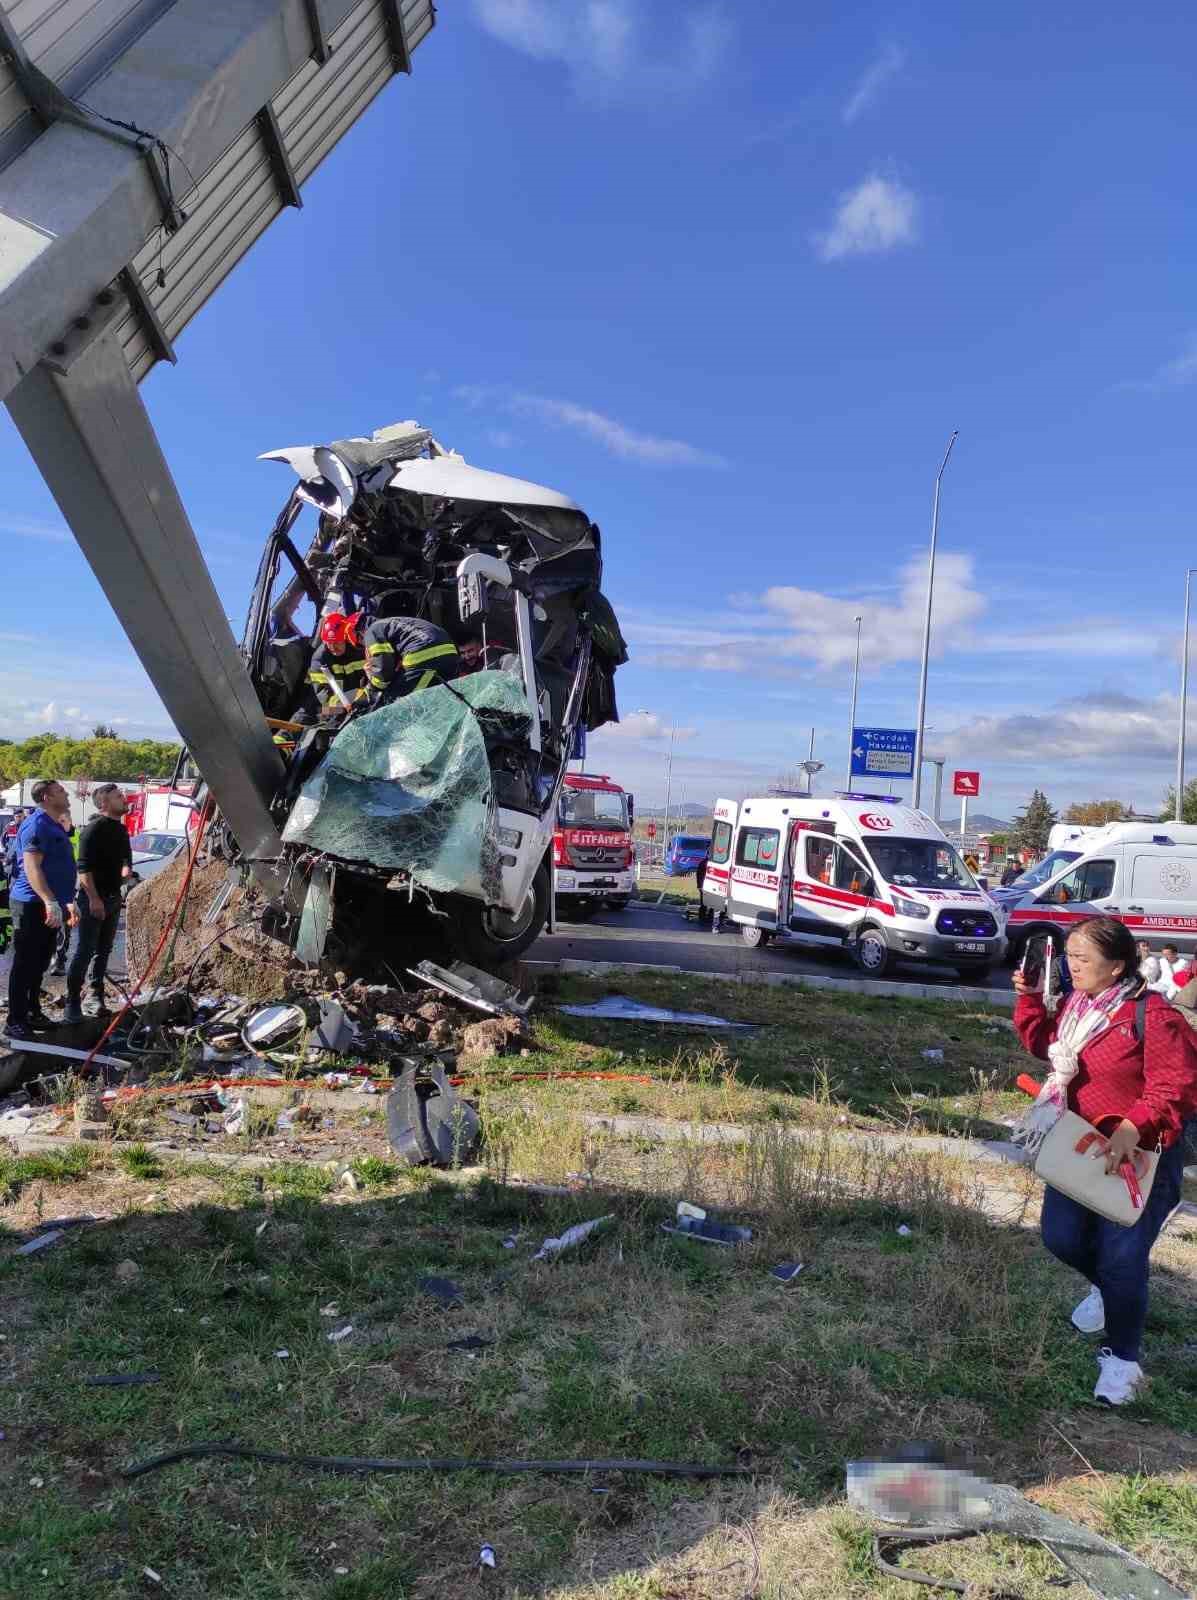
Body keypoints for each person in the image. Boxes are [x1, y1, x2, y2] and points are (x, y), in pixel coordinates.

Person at [1012, 916, 1196, 1404]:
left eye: (1081, 959)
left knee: (1121, 1255)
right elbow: (1046, 1047)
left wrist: (1133, 1127)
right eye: (1068, 955)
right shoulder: (1079, 1004)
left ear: (1116, 967)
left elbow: (1174, 1087)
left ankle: (1123, 1362)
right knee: (1060, 1237)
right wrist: (1031, 998)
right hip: (1080, 1147)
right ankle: (1111, 1290)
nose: (1070, 966)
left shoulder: (1155, 1017)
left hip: (1138, 1156)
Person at [6, 780, 78, 1040]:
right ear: (47, 797)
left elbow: (59, 867)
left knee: (39, 963)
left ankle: (32, 1011)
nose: (66, 794)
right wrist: (49, 900)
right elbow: (32, 868)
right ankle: (15, 1019)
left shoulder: (53, 824)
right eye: (60, 791)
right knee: (25, 963)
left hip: (52, 904)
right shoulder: (36, 824)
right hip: (31, 904)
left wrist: (67, 900)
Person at [65, 784, 133, 1024]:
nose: (124, 799)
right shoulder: (93, 830)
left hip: (114, 898)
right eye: (118, 797)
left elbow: (126, 859)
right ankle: (72, 1002)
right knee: (85, 950)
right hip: (93, 898)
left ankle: (95, 996)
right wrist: (94, 899)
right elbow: (83, 868)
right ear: (104, 803)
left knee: (103, 951)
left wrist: (126, 871)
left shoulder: (121, 830)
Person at [361, 614, 460, 703]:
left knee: (396, 700)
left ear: (358, 633)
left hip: (423, 655)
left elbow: (383, 668)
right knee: (444, 699)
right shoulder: (392, 622)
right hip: (450, 653)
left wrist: (373, 686)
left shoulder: (371, 631)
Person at [306, 611, 369, 719]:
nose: (333, 647)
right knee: (314, 714)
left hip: (363, 699)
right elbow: (325, 697)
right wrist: (346, 702)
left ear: (346, 637)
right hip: (334, 707)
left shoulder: (360, 649)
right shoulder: (320, 660)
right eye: (329, 643)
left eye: (337, 642)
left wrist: (364, 694)